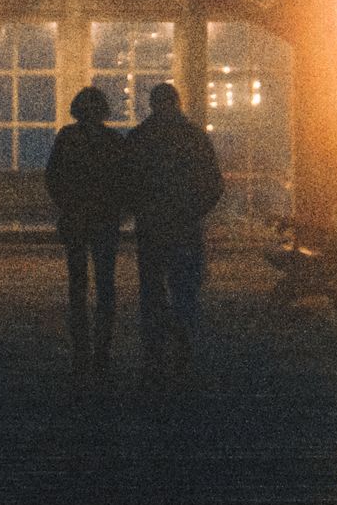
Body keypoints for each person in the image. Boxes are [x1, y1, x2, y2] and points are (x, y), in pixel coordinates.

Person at [123, 80, 225, 380]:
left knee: (152, 287)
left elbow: (127, 181)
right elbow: (213, 183)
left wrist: (138, 208)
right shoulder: (194, 137)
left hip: (152, 225)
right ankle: (183, 341)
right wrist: (196, 211)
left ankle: (154, 346)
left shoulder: (141, 137)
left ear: (152, 104)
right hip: (185, 224)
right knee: (185, 287)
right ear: (177, 103)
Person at [42, 84, 128, 379]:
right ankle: (102, 341)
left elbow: (53, 176)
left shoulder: (67, 137)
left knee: (77, 280)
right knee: (105, 280)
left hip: (77, 217)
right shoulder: (114, 140)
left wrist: (68, 204)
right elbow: (122, 181)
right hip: (104, 218)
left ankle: (81, 339)